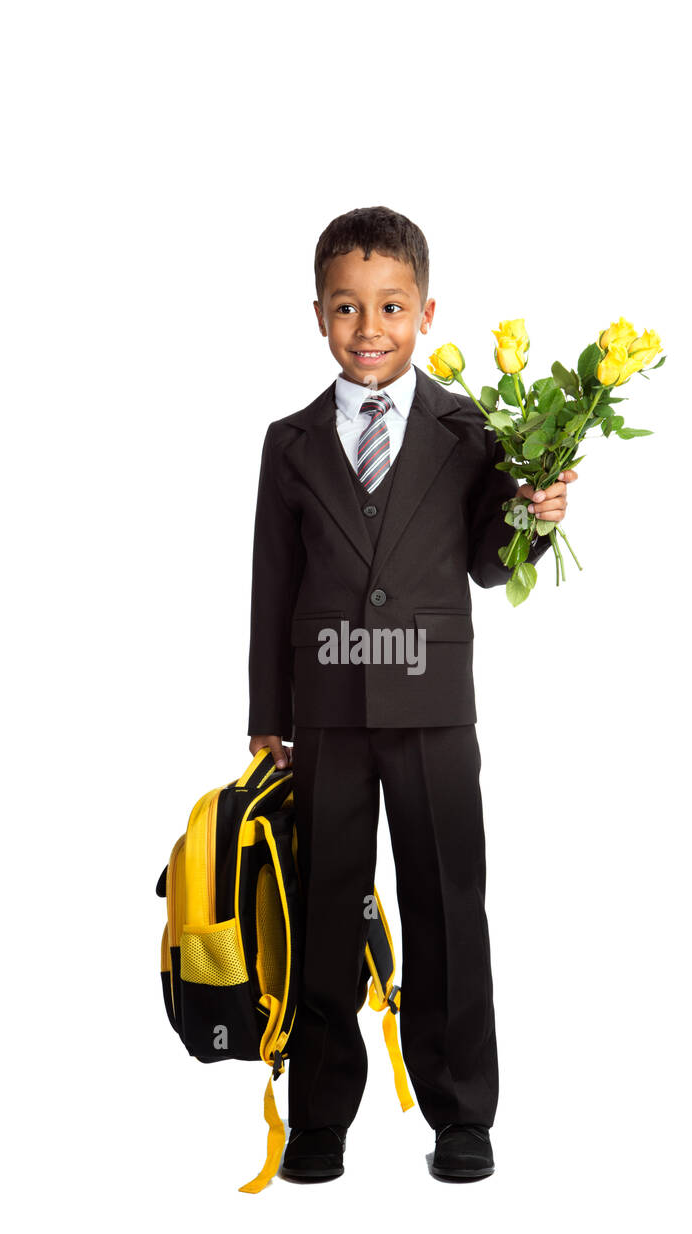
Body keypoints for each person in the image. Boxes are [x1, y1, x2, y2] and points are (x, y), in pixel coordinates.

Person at [247, 206, 575, 1182]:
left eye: (390, 306)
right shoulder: (290, 441)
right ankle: (317, 1118)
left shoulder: (468, 429)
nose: (370, 327)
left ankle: (462, 1115)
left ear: (426, 310)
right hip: (327, 717)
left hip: (434, 708)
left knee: (446, 909)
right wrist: (269, 714)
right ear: (318, 316)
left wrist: (536, 514)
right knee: (320, 909)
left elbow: (487, 563)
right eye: (348, 308)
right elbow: (271, 584)